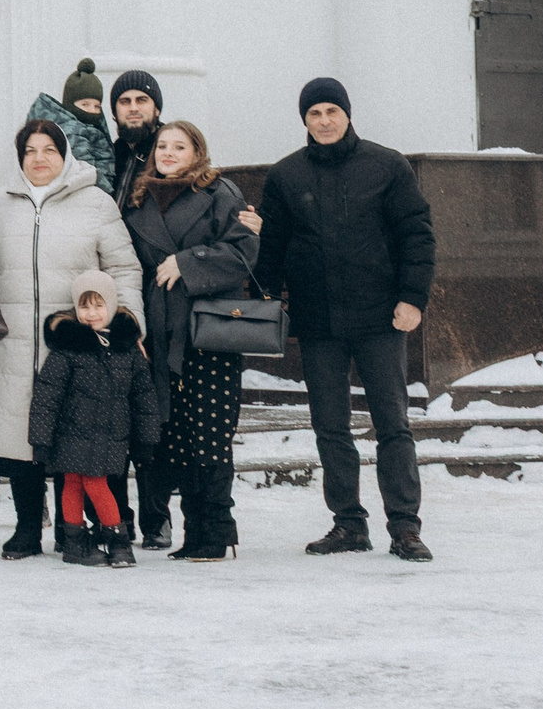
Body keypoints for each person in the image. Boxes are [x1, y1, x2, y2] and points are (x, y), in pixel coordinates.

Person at [255, 77, 437, 563]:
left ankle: (404, 527)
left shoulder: (387, 166)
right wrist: (266, 298)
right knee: (330, 427)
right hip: (318, 323)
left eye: (332, 111)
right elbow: (271, 248)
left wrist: (412, 298)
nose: (324, 121)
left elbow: (416, 235)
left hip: (380, 318)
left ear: (348, 114)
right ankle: (349, 524)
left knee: (392, 423)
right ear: (305, 121)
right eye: (315, 114)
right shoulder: (286, 176)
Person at [0, 119, 142, 562]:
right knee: (21, 437)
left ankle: (70, 529)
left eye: (49, 150)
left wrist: (127, 325)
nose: (39, 158)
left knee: (73, 438)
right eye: (30, 151)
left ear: (66, 156)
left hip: (77, 345)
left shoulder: (95, 204)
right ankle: (26, 529)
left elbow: (123, 269)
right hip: (14, 339)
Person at [126, 119, 260, 559]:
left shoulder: (221, 193)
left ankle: (216, 531)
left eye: (178, 146)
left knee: (211, 435)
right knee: (177, 436)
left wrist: (188, 261)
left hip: (208, 332)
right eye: (162, 146)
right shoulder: (140, 199)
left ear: (196, 152)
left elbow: (243, 252)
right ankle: (193, 532)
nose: (167, 153)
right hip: (161, 335)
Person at [27, 271, 151, 568]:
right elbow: (47, 396)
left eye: (98, 306)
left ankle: (112, 539)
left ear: (111, 306)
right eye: (84, 307)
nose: (91, 313)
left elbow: (143, 395)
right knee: (74, 481)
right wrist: (41, 439)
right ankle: (83, 542)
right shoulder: (68, 346)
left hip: (110, 433)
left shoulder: (126, 347)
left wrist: (146, 437)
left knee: (95, 483)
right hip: (71, 432)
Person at [25, 58, 117, 195]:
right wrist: (107, 193)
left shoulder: (91, 128)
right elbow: (85, 168)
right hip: (90, 193)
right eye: (85, 104)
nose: (92, 110)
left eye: (97, 106)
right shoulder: (72, 131)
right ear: (70, 105)